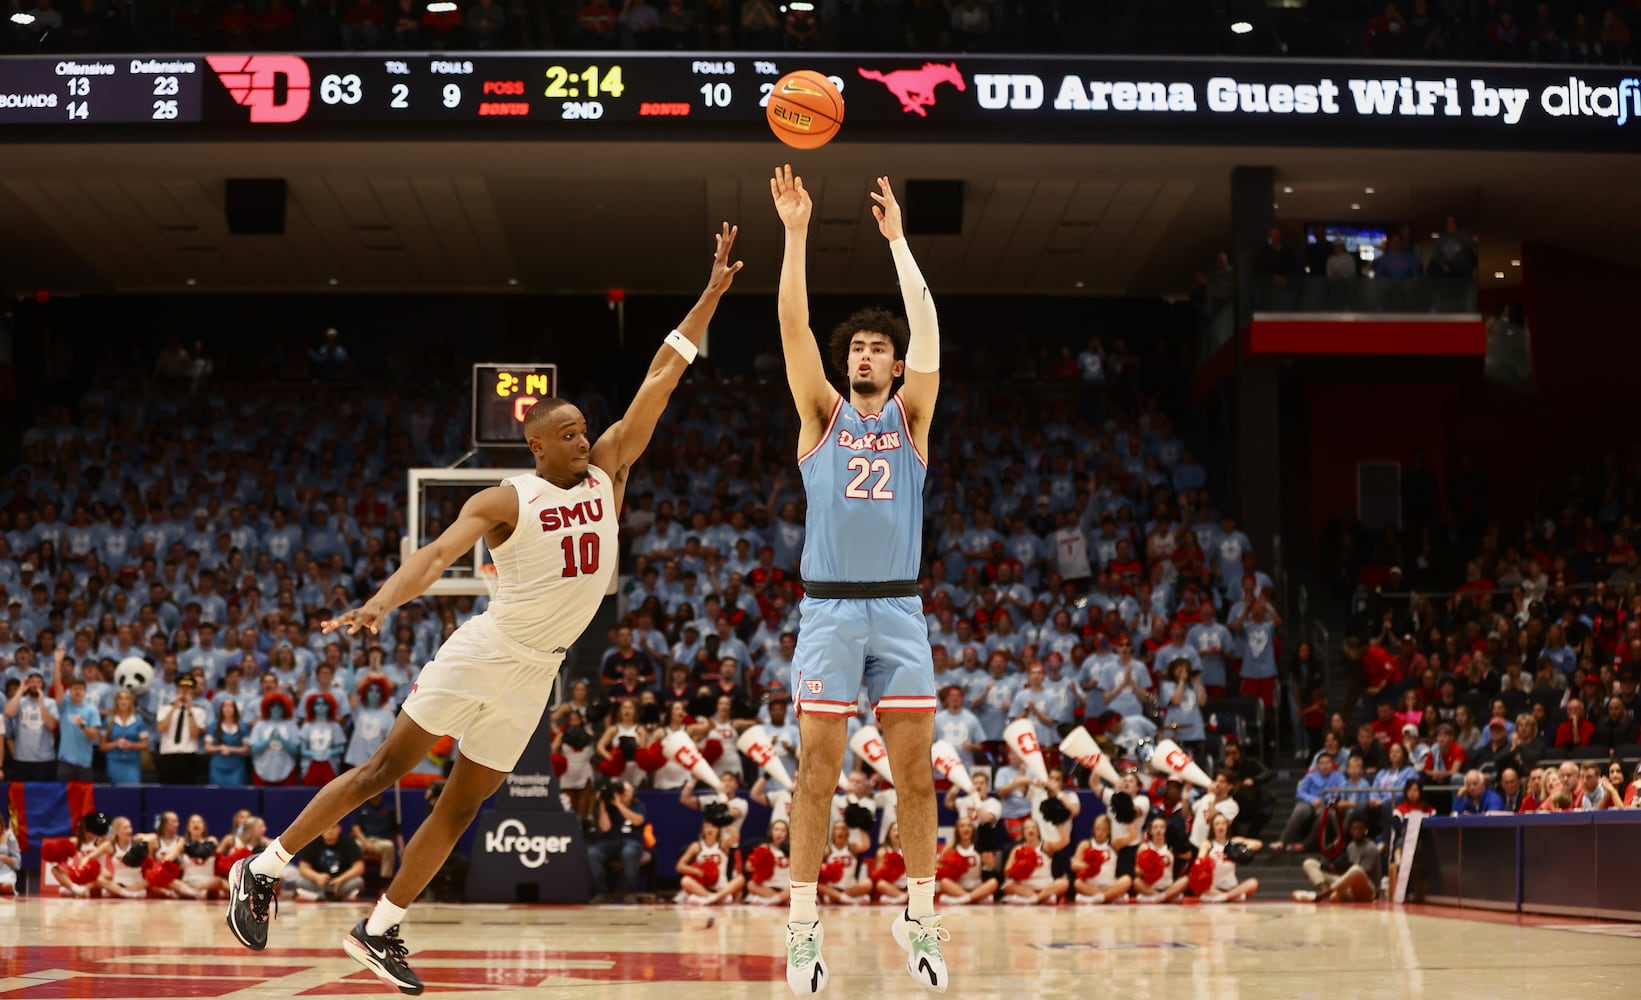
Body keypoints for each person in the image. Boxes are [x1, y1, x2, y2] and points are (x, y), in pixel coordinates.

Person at [227, 222, 743, 995]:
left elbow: (662, 376)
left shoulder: (609, 469)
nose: (580, 440)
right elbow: (437, 556)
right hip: (487, 647)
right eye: (565, 434)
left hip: (537, 672)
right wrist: (380, 603)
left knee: (464, 804)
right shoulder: (508, 496)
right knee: (384, 769)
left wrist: (706, 298)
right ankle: (262, 868)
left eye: (581, 430)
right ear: (537, 447)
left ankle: (380, 927)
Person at [770, 165, 948, 994]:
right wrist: (796, 232)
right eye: (857, 349)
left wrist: (899, 244)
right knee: (816, 773)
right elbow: (793, 325)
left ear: (896, 364)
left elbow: (931, 336)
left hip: (901, 613)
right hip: (831, 615)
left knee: (915, 776)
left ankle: (921, 914)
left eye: (879, 347)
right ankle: (803, 925)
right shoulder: (820, 416)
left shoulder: (913, 418)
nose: (865, 354)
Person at [586, 778, 649, 901]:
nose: (624, 793)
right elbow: (605, 828)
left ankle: (629, 892)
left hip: (631, 841)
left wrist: (620, 805)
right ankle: (601, 892)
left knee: (629, 852)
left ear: (633, 793)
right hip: (609, 841)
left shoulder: (638, 805)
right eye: (622, 790)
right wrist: (603, 804)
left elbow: (637, 821)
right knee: (592, 852)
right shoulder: (609, 807)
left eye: (627, 791)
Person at [1293, 817, 1380, 903]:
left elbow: (1363, 873)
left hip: (1368, 890)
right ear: (1350, 831)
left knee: (1356, 870)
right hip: (1348, 887)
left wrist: (1341, 869)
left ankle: (1323, 895)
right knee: (1309, 863)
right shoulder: (1351, 846)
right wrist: (1332, 867)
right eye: (1354, 829)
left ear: (1365, 831)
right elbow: (1348, 870)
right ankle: (1324, 890)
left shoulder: (1371, 848)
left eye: (1360, 829)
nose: (1357, 832)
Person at [676, 818, 745, 906]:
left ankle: (714, 898)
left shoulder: (723, 845)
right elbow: (680, 866)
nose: (710, 829)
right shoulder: (697, 846)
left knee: (741, 879)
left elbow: (735, 837)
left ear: (718, 830)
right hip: (703, 886)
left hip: (721, 887)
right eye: (707, 827)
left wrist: (724, 820)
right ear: (703, 829)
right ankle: (711, 897)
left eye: (713, 827)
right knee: (685, 881)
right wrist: (695, 871)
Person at [1197, 813, 1262, 903]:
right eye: (1217, 824)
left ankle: (1224, 897)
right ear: (1212, 827)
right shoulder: (1208, 844)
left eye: (1223, 823)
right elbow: (1199, 860)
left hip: (1231, 888)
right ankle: (1226, 897)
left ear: (1227, 825)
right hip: (1213, 888)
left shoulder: (1234, 842)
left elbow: (1258, 844)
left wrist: (1240, 848)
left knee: (1253, 883)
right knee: (1199, 884)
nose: (1220, 826)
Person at [293, 822, 366, 902]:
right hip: (319, 883)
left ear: (339, 829)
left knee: (358, 881)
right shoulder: (312, 843)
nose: (330, 831)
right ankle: (337, 897)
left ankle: (318, 897)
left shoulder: (349, 843)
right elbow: (303, 868)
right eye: (326, 828)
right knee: (299, 880)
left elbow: (359, 867)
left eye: (333, 827)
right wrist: (317, 877)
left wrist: (341, 879)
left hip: (341, 884)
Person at [1001, 820, 1067, 905]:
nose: (1031, 830)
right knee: (1008, 885)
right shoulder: (1017, 849)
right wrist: (1018, 868)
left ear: (1038, 832)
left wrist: (1058, 824)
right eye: (1027, 828)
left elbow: (1065, 842)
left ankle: (1033, 899)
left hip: (1045, 884)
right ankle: (1042, 898)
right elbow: (1007, 872)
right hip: (1025, 884)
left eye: (1033, 828)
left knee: (1063, 883)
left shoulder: (1046, 846)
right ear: (1023, 832)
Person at [1070, 814, 1132, 905]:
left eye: (1104, 829)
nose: (1100, 832)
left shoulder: (1113, 844)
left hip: (1110, 885)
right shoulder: (1086, 844)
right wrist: (1088, 865)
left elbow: (1132, 836)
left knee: (1127, 880)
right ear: (1093, 829)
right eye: (1098, 829)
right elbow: (1074, 865)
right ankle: (1109, 897)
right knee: (1077, 883)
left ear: (1109, 831)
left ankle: (1098, 898)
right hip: (1091, 886)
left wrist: (1128, 815)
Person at [745, 818, 794, 906]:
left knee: (796, 888)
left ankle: (770, 900)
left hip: (786, 886)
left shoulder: (793, 849)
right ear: (771, 832)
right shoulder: (765, 847)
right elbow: (748, 867)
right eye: (776, 830)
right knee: (751, 884)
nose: (779, 833)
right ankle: (779, 899)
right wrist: (759, 862)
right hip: (768, 885)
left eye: (783, 830)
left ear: (787, 834)